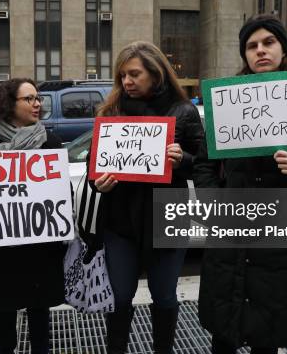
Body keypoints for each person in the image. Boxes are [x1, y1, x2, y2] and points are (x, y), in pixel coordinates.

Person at [194, 14, 287, 353]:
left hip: (280, 236)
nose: (260, 51)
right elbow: (204, 163)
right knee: (224, 326)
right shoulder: (227, 100)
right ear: (244, 54)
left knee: (269, 329)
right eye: (251, 45)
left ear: (282, 47)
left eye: (268, 43)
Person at [89, 41, 207, 354]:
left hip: (168, 220)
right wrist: (99, 184)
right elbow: (94, 170)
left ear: (155, 74)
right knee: (120, 296)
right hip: (121, 222)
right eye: (122, 76)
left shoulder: (183, 111)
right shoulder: (111, 112)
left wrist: (182, 160)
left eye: (134, 74)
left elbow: (207, 167)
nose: (126, 81)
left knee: (165, 295)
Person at [0, 78, 66, 354]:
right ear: (8, 104)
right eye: (29, 99)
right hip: (2, 252)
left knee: (40, 316)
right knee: (3, 315)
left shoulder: (51, 142)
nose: (37, 104)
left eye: (38, 98)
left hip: (40, 249)